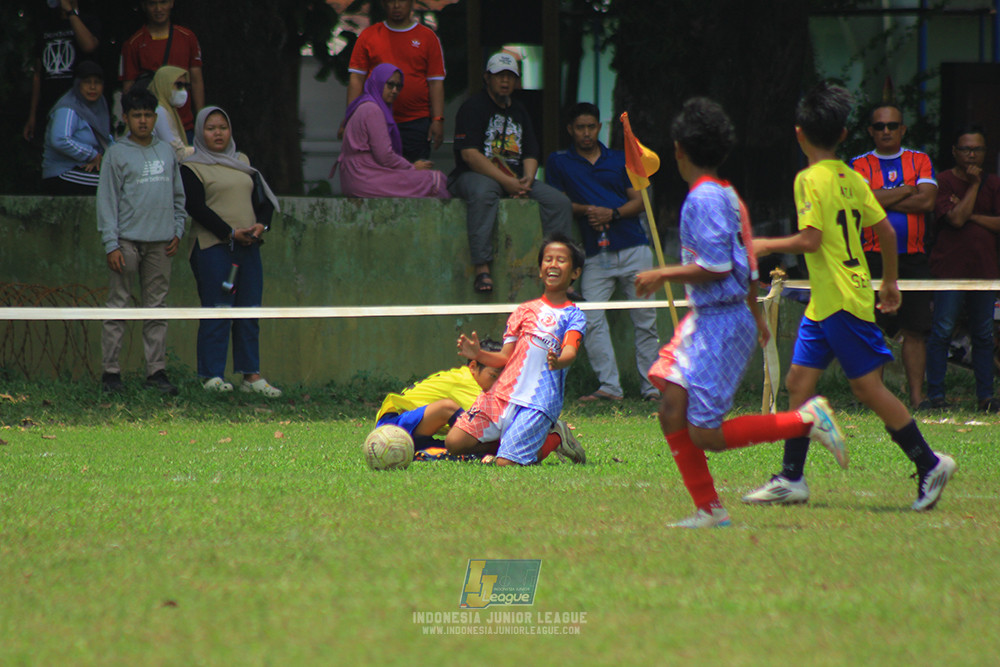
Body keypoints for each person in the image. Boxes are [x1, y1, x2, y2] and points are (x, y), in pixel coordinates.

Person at [633, 97, 848, 529]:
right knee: (671, 407)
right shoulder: (728, 196)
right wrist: (755, 315)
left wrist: (662, 273)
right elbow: (748, 262)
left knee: (705, 434)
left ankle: (804, 419)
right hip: (715, 319)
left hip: (718, 321)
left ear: (678, 149)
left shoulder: (704, 199)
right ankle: (709, 509)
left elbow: (715, 267)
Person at [742, 82, 956, 511]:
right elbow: (885, 230)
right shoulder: (851, 176)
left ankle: (930, 462)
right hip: (831, 298)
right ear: (843, 135)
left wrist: (763, 245)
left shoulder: (809, 179)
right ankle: (792, 479)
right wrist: (890, 282)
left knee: (868, 389)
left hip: (841, 297)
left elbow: (811, 238)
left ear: (799, 132)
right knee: (798, 384)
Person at [546, 102, 660, 402]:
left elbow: (639, 201)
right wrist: (587, 210)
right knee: (590, 318)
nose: (586, 133)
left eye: (591, 127)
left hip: (635, 246)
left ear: (599, 127)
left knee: (645, 319)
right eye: (580, 127)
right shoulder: (559, 163)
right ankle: (610, 387)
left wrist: (612, 214)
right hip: (595, 253)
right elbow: (557, 202)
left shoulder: (621, 158)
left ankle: (652, 388)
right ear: (571, 129)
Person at [445, 234, 588, 465]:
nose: (553, 264)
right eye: (548, 259)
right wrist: (478, 354)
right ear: (541, 270)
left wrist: (559, 361)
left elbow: (570, 350)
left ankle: (553, 438)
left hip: (537, 403)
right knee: (454, 443)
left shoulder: (574, 315)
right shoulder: (523, 311)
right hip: (502, 395)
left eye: (561, 260)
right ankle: (510, 444)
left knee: (505, 466)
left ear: (575, 273)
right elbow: (504, 357)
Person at [449, 53, 573, 293]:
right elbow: (469, 155)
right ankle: (482, 268)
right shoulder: (473, 107)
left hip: (514, 177)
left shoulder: (520, 110)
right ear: (487, 78)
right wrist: (508, 182)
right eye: (499, 76)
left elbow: (531, 151)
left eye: (510, 77)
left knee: (559, 202)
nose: (505, 81)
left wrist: (526, 179)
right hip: (473, 175)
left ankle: (558, 273)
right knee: (486, 191)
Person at [181, 106, 283, 397]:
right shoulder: (192, 166)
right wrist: (229, 233)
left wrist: (261, 225)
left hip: (247, 250)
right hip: (216, 250)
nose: (217, 133)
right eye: (211, 128)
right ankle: (212, 375)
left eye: (222, 128)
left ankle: (251, 376)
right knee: (219, 308)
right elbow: (196, 208)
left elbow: (262, 199)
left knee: (249, 309)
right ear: (200, 131)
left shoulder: (241, 161)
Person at [97, 87, 186, 395]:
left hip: (161, 243)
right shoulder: (116, 153)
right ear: (126, 118)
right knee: (118, 307)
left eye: (149, 115)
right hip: (126, 243)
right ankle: (111, 373)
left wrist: (177, 229)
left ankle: (156, 372)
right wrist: (111, 243)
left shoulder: (166, 151)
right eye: (137, 115)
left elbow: (178, 196)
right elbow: (106, 201)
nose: (144, 121)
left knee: (156, 308)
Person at [850, 104, 937, 409]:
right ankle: (875, 400)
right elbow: (861, 204)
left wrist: (881, 198)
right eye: (879, 126)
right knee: (871, 329)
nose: (885, 131)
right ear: (870, 131)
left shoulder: (920, 159)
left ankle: (917, 397)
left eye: (892, 125)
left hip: (912, 257)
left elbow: (927, 201)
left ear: (903, 129)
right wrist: (905, 189)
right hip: (871, 257)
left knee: (915, 330)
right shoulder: (858, 164)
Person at [925, 127, 1000, 412]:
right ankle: (936, 396)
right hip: (949, 269)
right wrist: (972, 187)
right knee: (942, 331)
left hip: (985, 270)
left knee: (983, 333)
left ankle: (986, 397)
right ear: (954, 151)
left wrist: (971, 214)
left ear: (985, 152)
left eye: (977, 149)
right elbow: (955, 220)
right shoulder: (942, 182)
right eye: (966, 149)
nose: (971, 154)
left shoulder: (993, 184)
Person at [346, 0, 446, 162]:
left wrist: (438, 119)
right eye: (391, 1)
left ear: (411, 3)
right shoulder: (369, 35)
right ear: (384, 4)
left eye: (402, 1)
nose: (397, 6)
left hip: (416, 121)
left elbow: (436, 82)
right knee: (379, 176)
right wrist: (349, 118)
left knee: (414, 177)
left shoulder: (427, 37)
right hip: (376, 120)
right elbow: (356, 78)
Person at [376, 339, 503, 460]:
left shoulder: (467, 378)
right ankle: (488, 451)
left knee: (458, 447)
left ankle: (428, 453)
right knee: (448, 409)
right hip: (393, 425)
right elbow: (486, 422)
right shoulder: (466, 381)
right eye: (493, 375)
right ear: (473, 367)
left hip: (410, 432)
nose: (498, 383)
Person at [338, 64, 449, 198]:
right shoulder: (373, 110)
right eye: (390, 85)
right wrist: (412, 167)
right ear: (378, 82)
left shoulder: (363, 105)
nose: (395, 90)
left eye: (399, 86)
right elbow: (384, 156)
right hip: (365, 177)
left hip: (356, 176)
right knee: (434, 179)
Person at [120, 0, 204, 140]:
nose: (158, 9)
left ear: (171, 3)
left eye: (163, 2)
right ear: (144, 6)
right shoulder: (134, 43)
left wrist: (201, 119)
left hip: (185, 123)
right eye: (152, 4)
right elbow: (128, 88)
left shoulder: (187, 37)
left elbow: (196, 81)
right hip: (150, 127)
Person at [23, 0, 101, 147]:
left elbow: (89, 46)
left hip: (78, 107)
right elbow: (38, 74)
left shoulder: (89, 21)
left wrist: (71, 12)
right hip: (49, 105)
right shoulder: (46, 25)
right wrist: (32, 116)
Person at [41, 60, 113, 195]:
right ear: (78, 84)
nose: (92, 87)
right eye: (87, 82)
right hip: (62, 172)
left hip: (83, 169)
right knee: (112, 185)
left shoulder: (98, 106)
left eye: (97, 82)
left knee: (123, 180)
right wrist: (91, 155)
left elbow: (106, 140)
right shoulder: (68, 107)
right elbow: (60, 139)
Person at [149, 65, 193, 160]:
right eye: (179, 85)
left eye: (186, 86)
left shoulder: (168, 109)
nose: (183, 91)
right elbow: (177, 152)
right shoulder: (159, 111)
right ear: (164, 85)